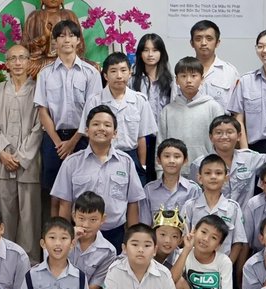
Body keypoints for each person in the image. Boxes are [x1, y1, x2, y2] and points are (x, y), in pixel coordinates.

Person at [50, 106, 145, 250]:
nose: (101, 128)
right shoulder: (72, 163)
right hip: (81, 234)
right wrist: (65, 237)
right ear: (87, 131)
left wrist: (133, 240)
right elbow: (64, 204)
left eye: (107, 125)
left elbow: (133, 203)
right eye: (95, 124)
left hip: (115, 234)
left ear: (115, 133)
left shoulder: (126, 162)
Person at [35, 19, 101, 207]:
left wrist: (73, 141)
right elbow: (42, 110)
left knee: (84, 191)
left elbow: (92, 111)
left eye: (71, 35)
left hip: (82, 137)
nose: (67, 40)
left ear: (78, 40)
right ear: (54, 41)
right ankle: (56, 235)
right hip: (53, 139)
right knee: (54, 192)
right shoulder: (45, 73)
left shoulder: (91, 73)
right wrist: (58, 143)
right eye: (61, 36)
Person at [0, 43, 42, 260]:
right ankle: (6, 261)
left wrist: (21, 157)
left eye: (22, 58)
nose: (18, 62)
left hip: (29, 164)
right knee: (4, 216)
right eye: (13, 58)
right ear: (7, 63)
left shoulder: (38, 90)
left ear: (29, 61)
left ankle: (29, 263)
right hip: (2, 163)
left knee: (30, 218)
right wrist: (1, 152)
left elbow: (40, 127)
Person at [80, 51, 158, 176]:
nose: (119, 76)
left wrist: (142, 165)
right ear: (105, 75)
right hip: (101, 155)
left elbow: (141, 137)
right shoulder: (94, 101)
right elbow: (88, 134)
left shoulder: (140, 101)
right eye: (113, 71)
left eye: (123, 70)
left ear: (130, 73)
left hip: (131, 155)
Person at [158, 57, 228, 176]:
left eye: (193, 76)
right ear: (176, 80)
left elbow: (221, 142)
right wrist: (160, 172)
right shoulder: (168, 111)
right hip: (175, 172)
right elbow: (160, 143)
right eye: (183, 76)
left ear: (202, 79)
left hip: (206, 172)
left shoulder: (213, 107)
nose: (188, 80)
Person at [180, 155, 248, 274]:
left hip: (221, 269)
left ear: (226, 178)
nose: (213, 177)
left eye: (218, 173)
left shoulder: (233, 208)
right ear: (199, 178)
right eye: (207, 173)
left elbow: (238, 243)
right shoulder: (190, 206)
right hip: (192, 268)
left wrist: (227, 267)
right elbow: (182, 239)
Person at [187, 115, 263, 205]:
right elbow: (194, 195)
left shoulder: (250, 158)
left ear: (239, 136)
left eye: (229, 132)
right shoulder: (199, 164)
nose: (224, 137)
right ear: (211, 137)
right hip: (211, 216)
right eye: (218, 133)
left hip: (244, 217)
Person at [23, 0, 84, 75]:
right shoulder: (34, 16)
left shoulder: (69, 15)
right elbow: (24, 48)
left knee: (93, 67)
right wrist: (43, 39)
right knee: (24, 66)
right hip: (42, 61)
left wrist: (65, 51)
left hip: (66, 59)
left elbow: (81, 45)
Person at [130, 33, 174, 181]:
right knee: (141, 177)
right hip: (140, 138)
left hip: (162, 137)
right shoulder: (132, 81)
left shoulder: (170, 82)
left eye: (155, 50)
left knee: (161, 178)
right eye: (146, 50)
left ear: (161, 53)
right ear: (140, 53)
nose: (150, 54)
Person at [68, 192, 116, 289]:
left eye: (93, 220)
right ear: (74, 216)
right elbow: (50, 269)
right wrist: (69, 241)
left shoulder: (108, 251)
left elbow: (94, 288)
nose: (86, 225)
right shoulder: (59, 239)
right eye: (81, 218)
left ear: (103, 219)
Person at [142, 138, 200, 222]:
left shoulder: (193, 189)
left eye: (177, 156)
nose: (171, 161)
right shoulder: (149, 189)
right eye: (166, 156)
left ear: (185, 160)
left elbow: (196, 222)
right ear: (158, 160)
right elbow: (145, 223)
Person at [189, 20, 238, 107]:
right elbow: (175, 107)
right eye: (198, 39)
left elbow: (237, 109)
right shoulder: (182, 72)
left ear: (217, 43)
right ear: (192, 43)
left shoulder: (229, 72)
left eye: (209, 39)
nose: (203, 43)